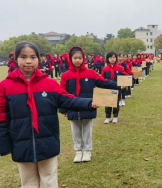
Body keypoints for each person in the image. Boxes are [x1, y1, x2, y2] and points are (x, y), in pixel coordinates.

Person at [0, 42, 100, 188]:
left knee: (49, 180)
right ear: (15, 59)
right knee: (28, 182)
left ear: (38, 59)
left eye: (33, 57)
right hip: (21, 143)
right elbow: (2, 116)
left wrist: (89, 103)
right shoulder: (5, 86)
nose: (28, 61)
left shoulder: (49, 83)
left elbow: (68, 99)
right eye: (23, 57)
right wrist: (3, 142)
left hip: (47, 141)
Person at [60, 46, 122, 163]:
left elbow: (104, 82)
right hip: (72, 107)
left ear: (83, 58)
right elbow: (62, 92)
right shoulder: (66, 75)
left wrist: (118, 85)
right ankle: (78, 151)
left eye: (80, 58)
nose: (77, 60)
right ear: (70, 59)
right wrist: (63, 108)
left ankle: (87, 151)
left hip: (89, 105)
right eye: (75, 58)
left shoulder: (91, 73)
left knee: (87, 129)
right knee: (75, 130)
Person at [102, 52, 128, 123]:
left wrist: (124, 84)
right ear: (108, 59)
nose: (112, 59)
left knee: (116, 104)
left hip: (117, 89)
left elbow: (125, 76)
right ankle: (108, 117)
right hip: (108, 89)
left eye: (113, 57)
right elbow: (102, 79)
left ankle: (115, 117)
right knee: (107, 104)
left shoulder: (120, 68)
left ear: (116, 58)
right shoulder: (105, 69)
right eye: (110, 58)